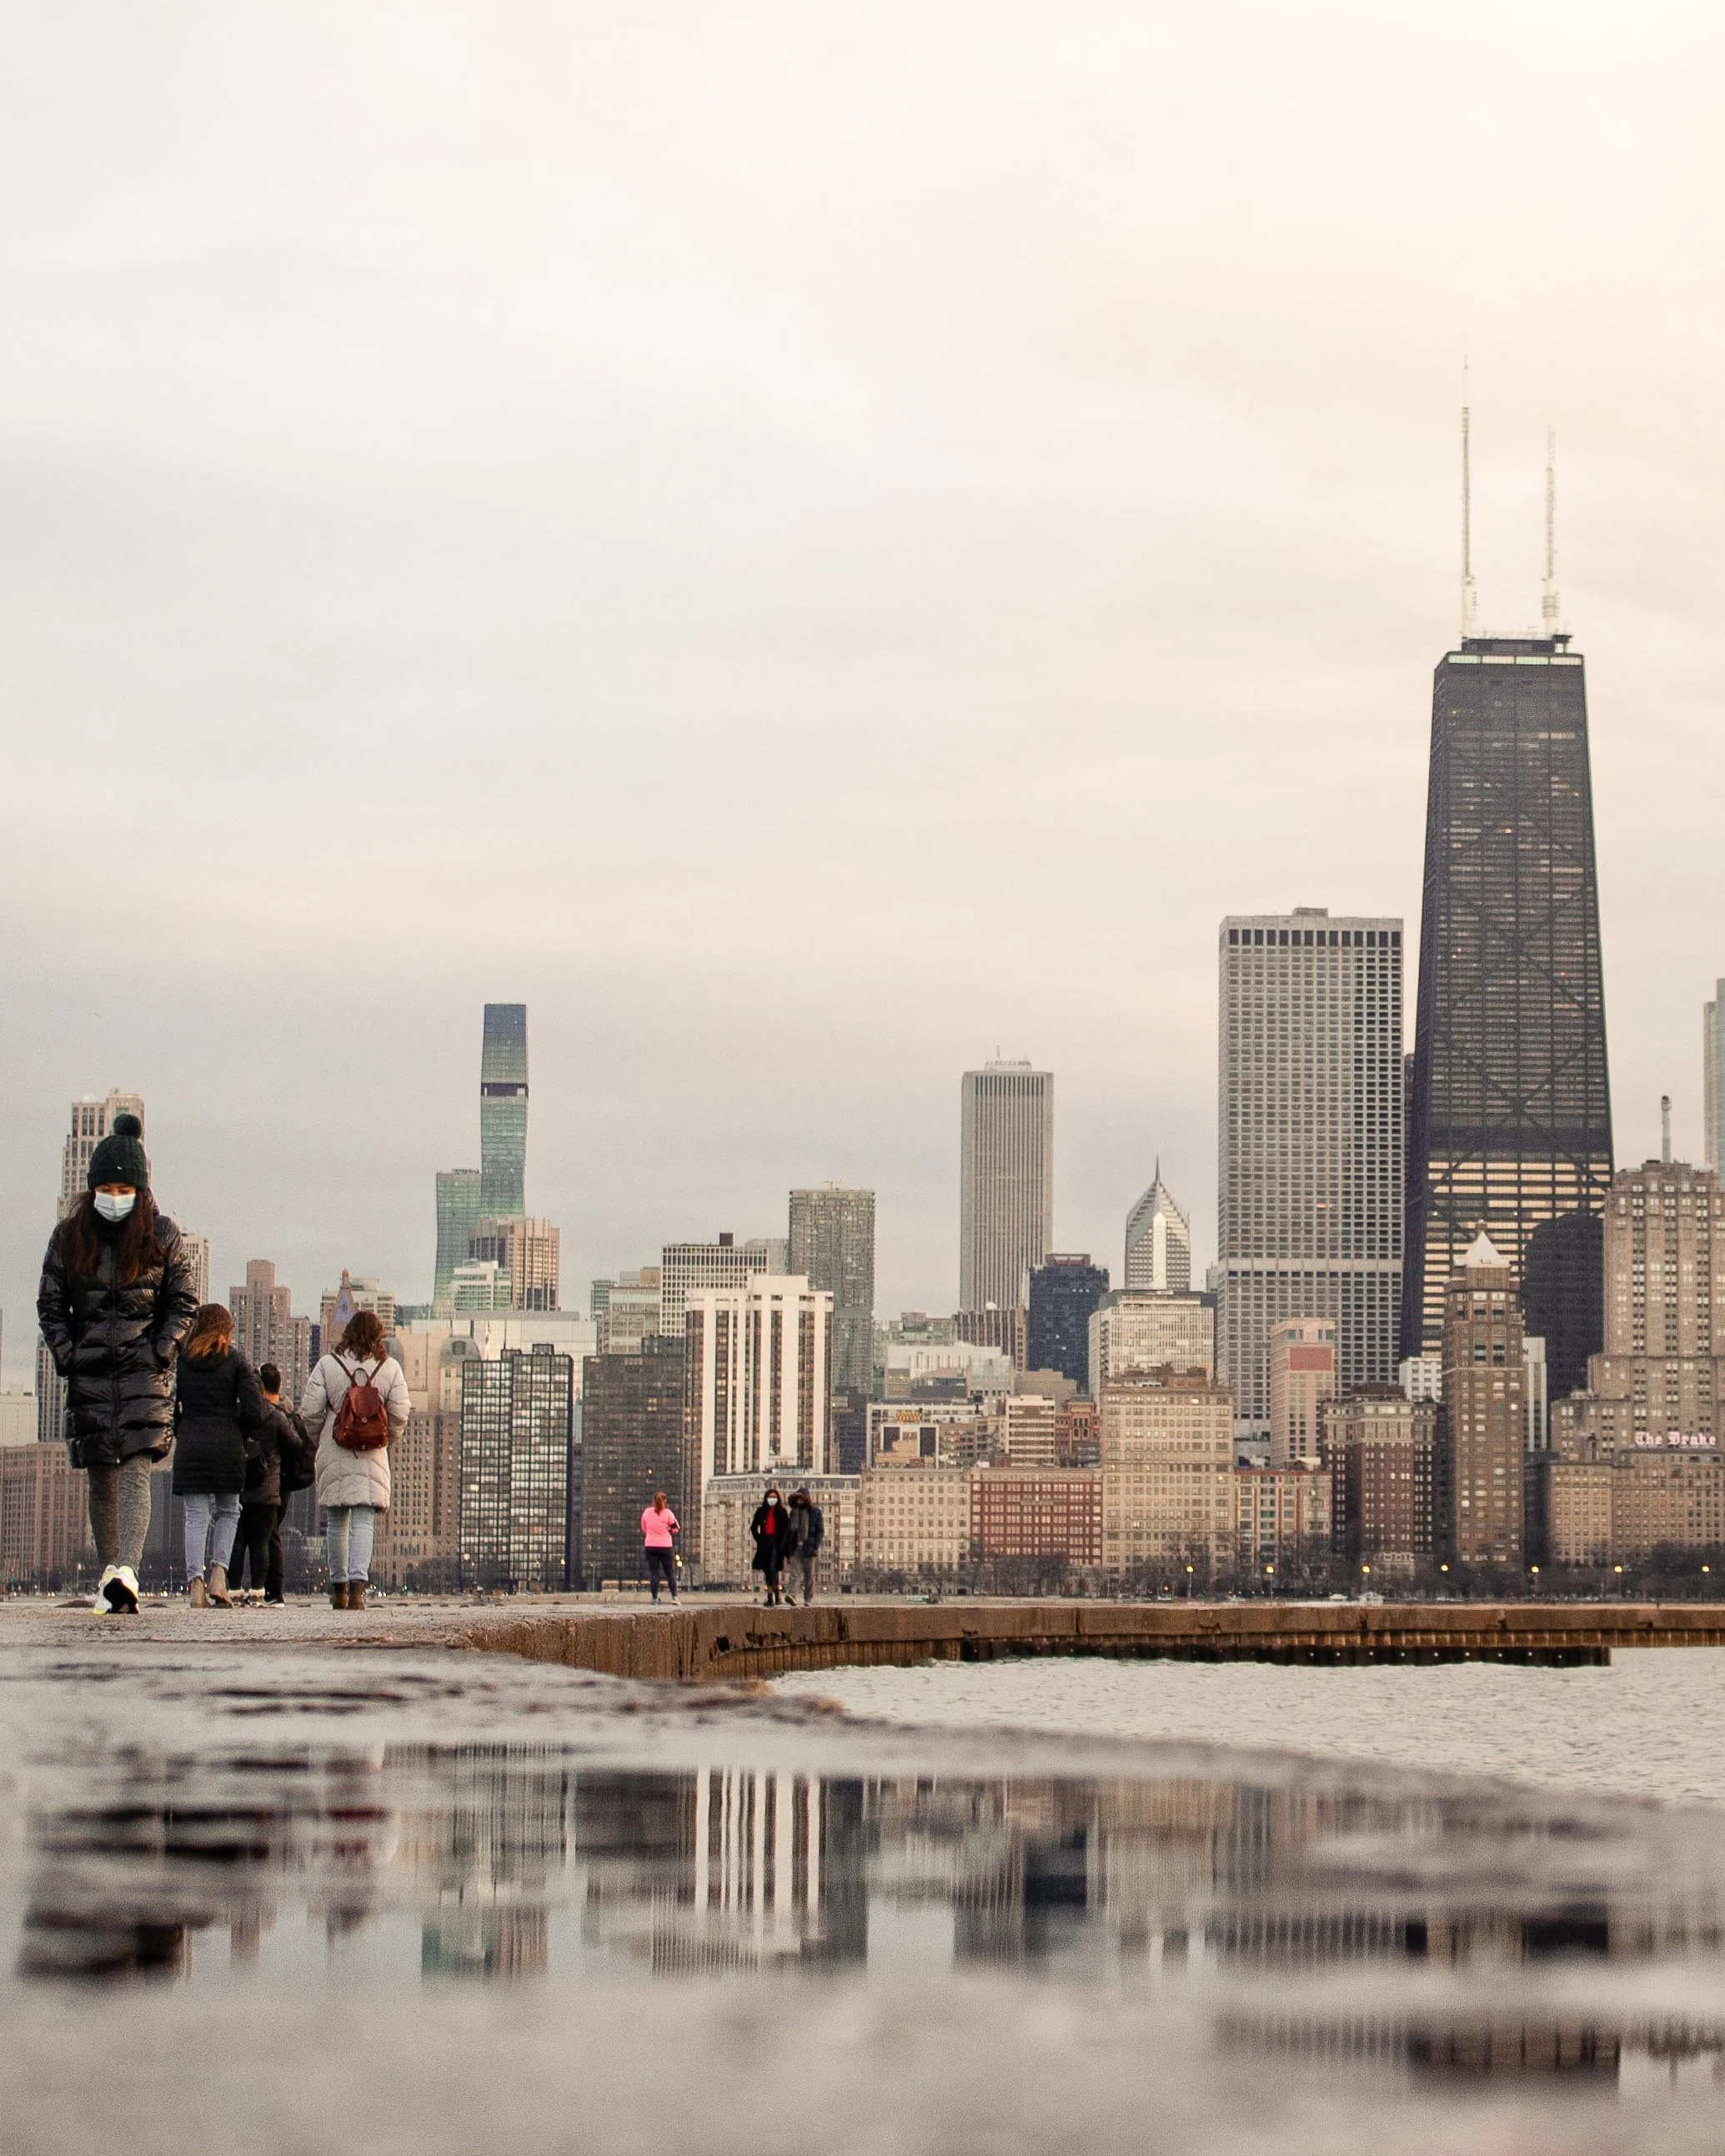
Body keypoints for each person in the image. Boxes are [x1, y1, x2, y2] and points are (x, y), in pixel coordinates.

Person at [35, 1111, 199, 1615]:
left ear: (140, 1189)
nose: (113, 1195)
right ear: (90, 1189)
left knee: (135, 1471)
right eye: (104, 1186)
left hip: (141, 1372)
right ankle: (112, 1572)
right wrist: (67, 1356)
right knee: (100, 1476)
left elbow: (184, 1302)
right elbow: (50, 1305)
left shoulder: (163, 1236)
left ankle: (126, 1568)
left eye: (122, 1186)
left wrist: (160, 1352)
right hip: (88, 1373)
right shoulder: (68, 1238)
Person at [299, 1310, 409, 1611]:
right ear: (379, 1335)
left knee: (336, 1522)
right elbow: (400, 1413)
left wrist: (320, 1437)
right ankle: (359, 1589)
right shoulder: (389, 1368)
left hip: (335, 1446)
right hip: (373, 1450)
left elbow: (309, 1412)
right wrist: (387, 1440)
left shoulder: (327, 1365)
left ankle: (339, 1590)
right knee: (363, 1521)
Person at [172, 1303, 264, 1607]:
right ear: (226, 1329)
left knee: (196, 1517)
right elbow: (255, 1408)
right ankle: (219, 1577)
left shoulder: (182, 1361)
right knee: (228, 1512)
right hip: (228, 1445)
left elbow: (169, 1404)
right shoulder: (236, 1361)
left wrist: (182, 1430)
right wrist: (238, 1429)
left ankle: (194, 1583)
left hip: (191, 1446)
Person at [229, 1363, 312, 1605]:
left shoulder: (240, 1413)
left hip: (241, 1486)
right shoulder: (280, 1415)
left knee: (238, 1540)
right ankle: (265, 1592)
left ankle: (233, 1590)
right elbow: (297, 1445)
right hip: (271, 1489)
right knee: (265, 1541)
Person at [750, 1486, 794, 1607]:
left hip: (777, 1543)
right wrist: (759, 1539)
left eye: (774, 1497)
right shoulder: (761, 1511)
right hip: (765, 1543)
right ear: (766, 1498)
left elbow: (786, 1529)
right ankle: (770, 1596)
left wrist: (783, 1544)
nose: (772, 1499)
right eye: (770, 1497)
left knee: (773, 1569)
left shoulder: (782, 1512)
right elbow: (753, 1527)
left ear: (778, 1498)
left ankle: (777, 1595)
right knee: (767, 1570)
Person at [640, 1490, 679, 1602]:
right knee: (670, 1573)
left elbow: (644, 1528)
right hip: (666, 1546)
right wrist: (667, 1531)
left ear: (653, 1501)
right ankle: (674, 1597)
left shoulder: (647, 1512)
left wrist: (652, 1533)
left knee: (654, 1573)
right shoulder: (668, 1513)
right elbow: (675, 1529)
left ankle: (654, 1598)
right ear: (664, 1501)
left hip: (651, 1545)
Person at [789, 1487, 824, 1606]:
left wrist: (815, 1546)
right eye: (798, 1499)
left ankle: (808, 1599)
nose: (799, 1501)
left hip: (809, 1549)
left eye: (801, 1499)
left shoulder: (816, 1512)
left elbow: (820, 1531)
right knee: (795, 1574)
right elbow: (790, 1532)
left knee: (809, 1576)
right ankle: (792, 1595)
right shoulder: (794, 1512)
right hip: (797, 1548)